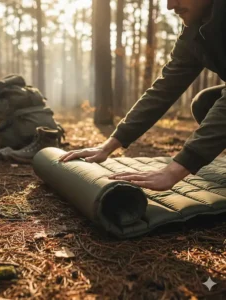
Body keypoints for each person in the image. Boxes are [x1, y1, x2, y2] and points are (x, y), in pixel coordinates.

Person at [59, 0, 226, 191]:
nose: (170, 6)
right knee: (204, 104)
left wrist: (173, 171)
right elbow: (164, 88)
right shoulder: (195, 30)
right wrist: (108, 145)